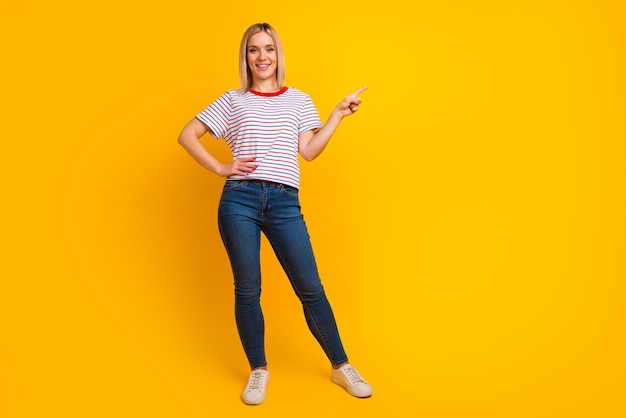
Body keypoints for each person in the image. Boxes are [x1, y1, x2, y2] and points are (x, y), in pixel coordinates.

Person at [177, 22, 372, 405]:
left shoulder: (299, 100)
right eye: (254, 50)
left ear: (278, 55)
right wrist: (220, 168)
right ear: (246, 58)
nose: (262, 56)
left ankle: (340, 366)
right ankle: (258, 371)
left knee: (311, 288)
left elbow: (309, 151)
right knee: (248, 290)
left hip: (284, 202)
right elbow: (187, 134)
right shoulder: (233, 100)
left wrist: (336, 115)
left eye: (268, 49)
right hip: (240, 200)